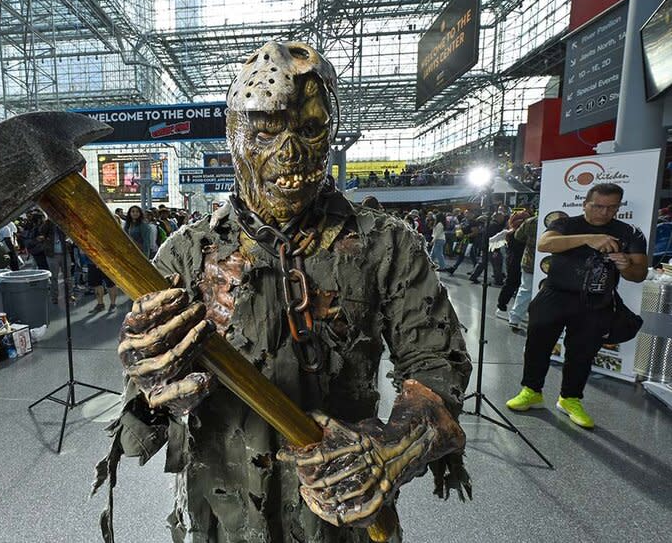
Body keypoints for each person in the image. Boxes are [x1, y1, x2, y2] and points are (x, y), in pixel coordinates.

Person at [94, 41, 472, 543]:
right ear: (234, 134)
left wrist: (393, 445)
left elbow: (436, 365)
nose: (291, 151)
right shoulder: (186, 253)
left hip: (340, 512)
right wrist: (151, 386)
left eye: (311, 128)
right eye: (267, 130)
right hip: (222, 510)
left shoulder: (386, 244)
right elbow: (145, 419)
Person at [506, 183, 648, 428]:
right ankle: (532, 391)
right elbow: (545, 244)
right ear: (585, 204)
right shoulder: (566, 224)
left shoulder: (630, 233)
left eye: (611, 207)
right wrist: (590, 239)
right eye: (598, 206)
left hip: (597, 300)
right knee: (538, 344)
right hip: (555, 294)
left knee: (582, 352)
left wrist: (626, 266)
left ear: (618, 207)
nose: (604, 212)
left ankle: (570, 398)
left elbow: (639, 274)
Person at [495, 210, 531, 319]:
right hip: (515, 261)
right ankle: (501, 307)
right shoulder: (513, 233)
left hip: (520, 261)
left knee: (519, 286)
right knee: (511, 284)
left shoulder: (514, 232)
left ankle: (517, 309)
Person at [507, 214, 538, 331]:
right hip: (550, 262)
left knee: (525, 290)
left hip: (529, 259)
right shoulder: (562, 218)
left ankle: (515, 318)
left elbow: (518, 236)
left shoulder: (531, 221)